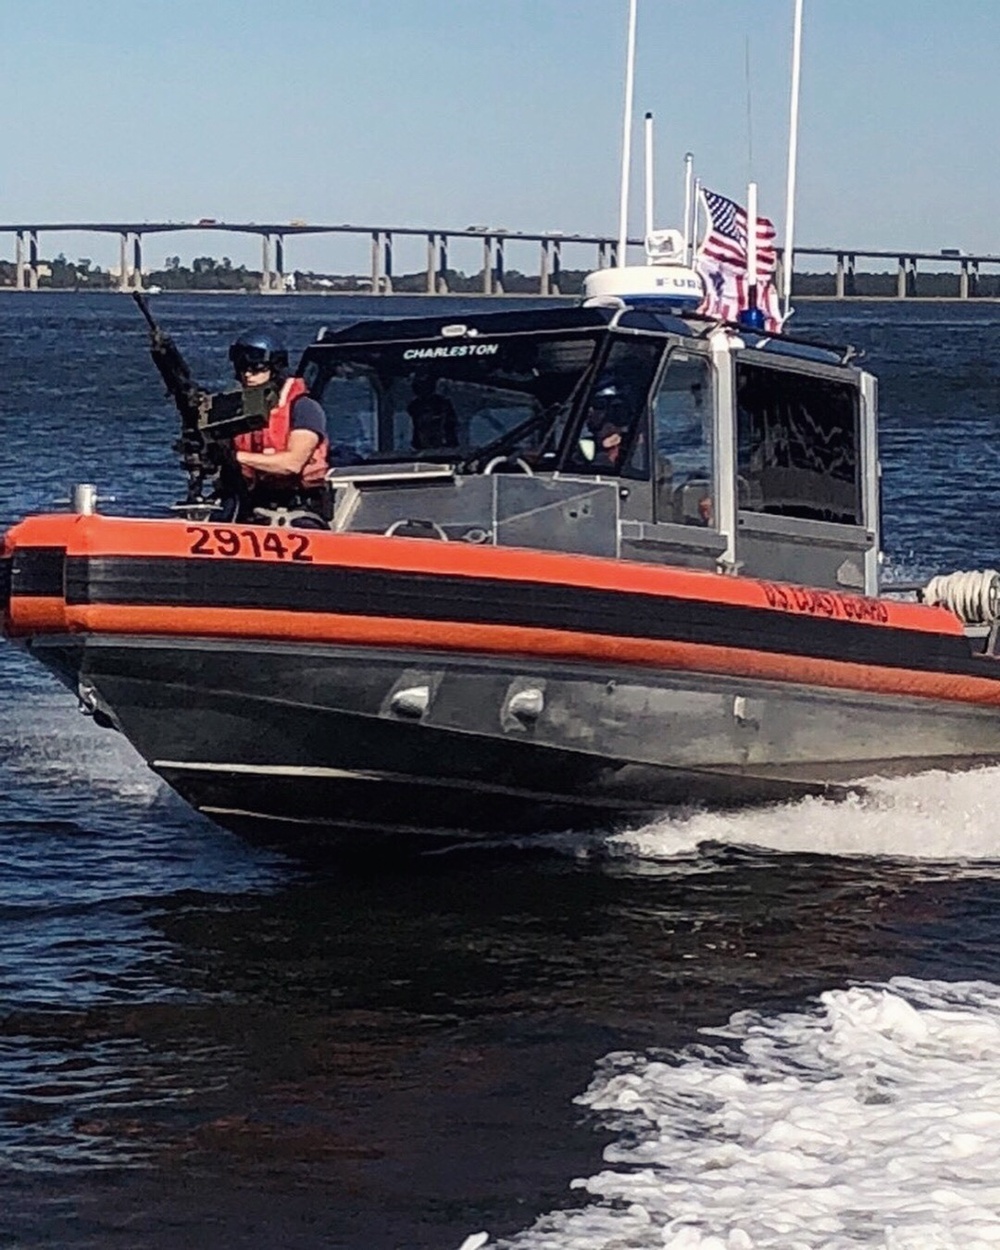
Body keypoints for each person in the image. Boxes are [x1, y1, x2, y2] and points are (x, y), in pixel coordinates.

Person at [229, 331, 329, 523]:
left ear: (274, 369)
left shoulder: (304, 408)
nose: (248, 374)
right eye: (242, 368)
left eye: (256, 368)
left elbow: (292, 463)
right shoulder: (239, 411)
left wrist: (236, 457)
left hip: (297, 507)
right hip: (252, 502)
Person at [407, 373, 458, 451]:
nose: (430, 431)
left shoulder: (443, 404)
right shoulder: (414, 407)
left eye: (435, 424)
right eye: (423, 426)